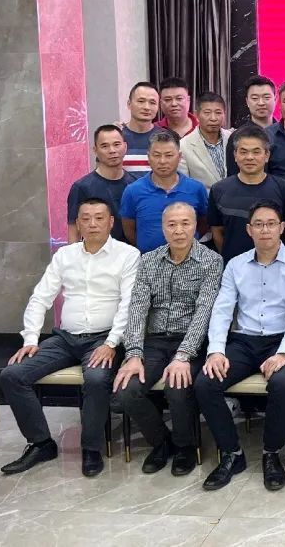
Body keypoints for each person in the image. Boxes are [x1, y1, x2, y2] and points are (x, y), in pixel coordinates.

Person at [0, 198, 140, 478]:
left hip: (104, 338)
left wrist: (112, 343)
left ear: (111, 222)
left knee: (96, 379)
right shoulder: (65, 256)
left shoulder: (128, 255)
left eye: (99, 218)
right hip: (65, 339)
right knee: (11, 375)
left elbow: (129, 304)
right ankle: (41, 443)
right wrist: (30, 339)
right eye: (85, 218)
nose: (92, 224)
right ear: (78, 224)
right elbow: (40, 298)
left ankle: (91, 449)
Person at [194, 200, 285, 492]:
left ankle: (271, 453)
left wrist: (284, 353)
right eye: (258, 224)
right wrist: (216, 351)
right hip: (244, 341)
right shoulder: (235, 265)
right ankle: (232, 453)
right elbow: (222, 310)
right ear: (249, 230)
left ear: (282, 228)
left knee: (283, 383)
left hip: (281, 340)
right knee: (206, 383)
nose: (265, 230)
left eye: (271, 224)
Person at [112, 203, 223, 477]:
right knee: (126, 389)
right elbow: (137, 309)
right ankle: (162, 442)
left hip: (192, 342)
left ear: (195, 226)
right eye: (172, 224)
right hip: (154, 341)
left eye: (185, 223)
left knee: (177, 386)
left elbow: (204, 312)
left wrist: (183, 355)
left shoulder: (211, 261)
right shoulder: (149, 261)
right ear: (163, 229)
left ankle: (186, 446)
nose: (179, 230)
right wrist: (133, 354)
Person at [208, 124, 285, 264]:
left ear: (267, 155)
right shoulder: (219, 190)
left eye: (256, 152)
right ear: (235, 155)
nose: (249, 157)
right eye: (243, 152)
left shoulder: (284, 189)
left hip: (275, 267)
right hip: (234, 268)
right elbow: (217, 231)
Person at [119, 129, 209, 253]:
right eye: (157, 155)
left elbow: (203, 223)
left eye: (169, 155)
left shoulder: (196, 189)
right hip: (147, 260)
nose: (162, 161)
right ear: (148, 157)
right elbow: (129, 230)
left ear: (179, 157)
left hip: (190, 259)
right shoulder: (133, 191)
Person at [67, 125, 139, 243]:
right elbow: (74, 232)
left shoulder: (136, 184)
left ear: (125, 147)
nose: (112, 150)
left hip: (132, 252)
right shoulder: (82, 187)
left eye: (116, 144)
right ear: (95, 150)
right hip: (96, 252)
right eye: (105, 146)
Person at [177, 92, 231, 190]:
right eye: (207, 113)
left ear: (224, 114)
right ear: (196, 114)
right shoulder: (184, 146)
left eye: (218, 113)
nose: (213, 118)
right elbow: (184, 185)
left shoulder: (233, 138)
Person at [226, 75, 278, 175]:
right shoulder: (237, 136)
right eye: (255, 98)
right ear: (247, 101)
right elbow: (233, 176)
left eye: (266, 97)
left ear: (275, 99)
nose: (261, 103)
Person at [121, 81, 164, 174]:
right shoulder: (117, 136)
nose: (147, 107)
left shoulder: (165, 137)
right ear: (129, 104)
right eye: (141, 101)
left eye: (152, 102)